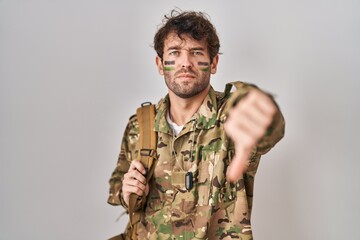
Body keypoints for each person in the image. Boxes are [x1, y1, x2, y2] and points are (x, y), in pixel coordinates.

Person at [108, 10, 285, 240]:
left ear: (213, 63)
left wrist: (264, 112)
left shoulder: (231, 116)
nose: (185, 62)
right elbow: (117, 185)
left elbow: (269, 129)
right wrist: (126, 191)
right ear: (160, 64)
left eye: (196, 52)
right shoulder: (140, 124)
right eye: (175, 53)